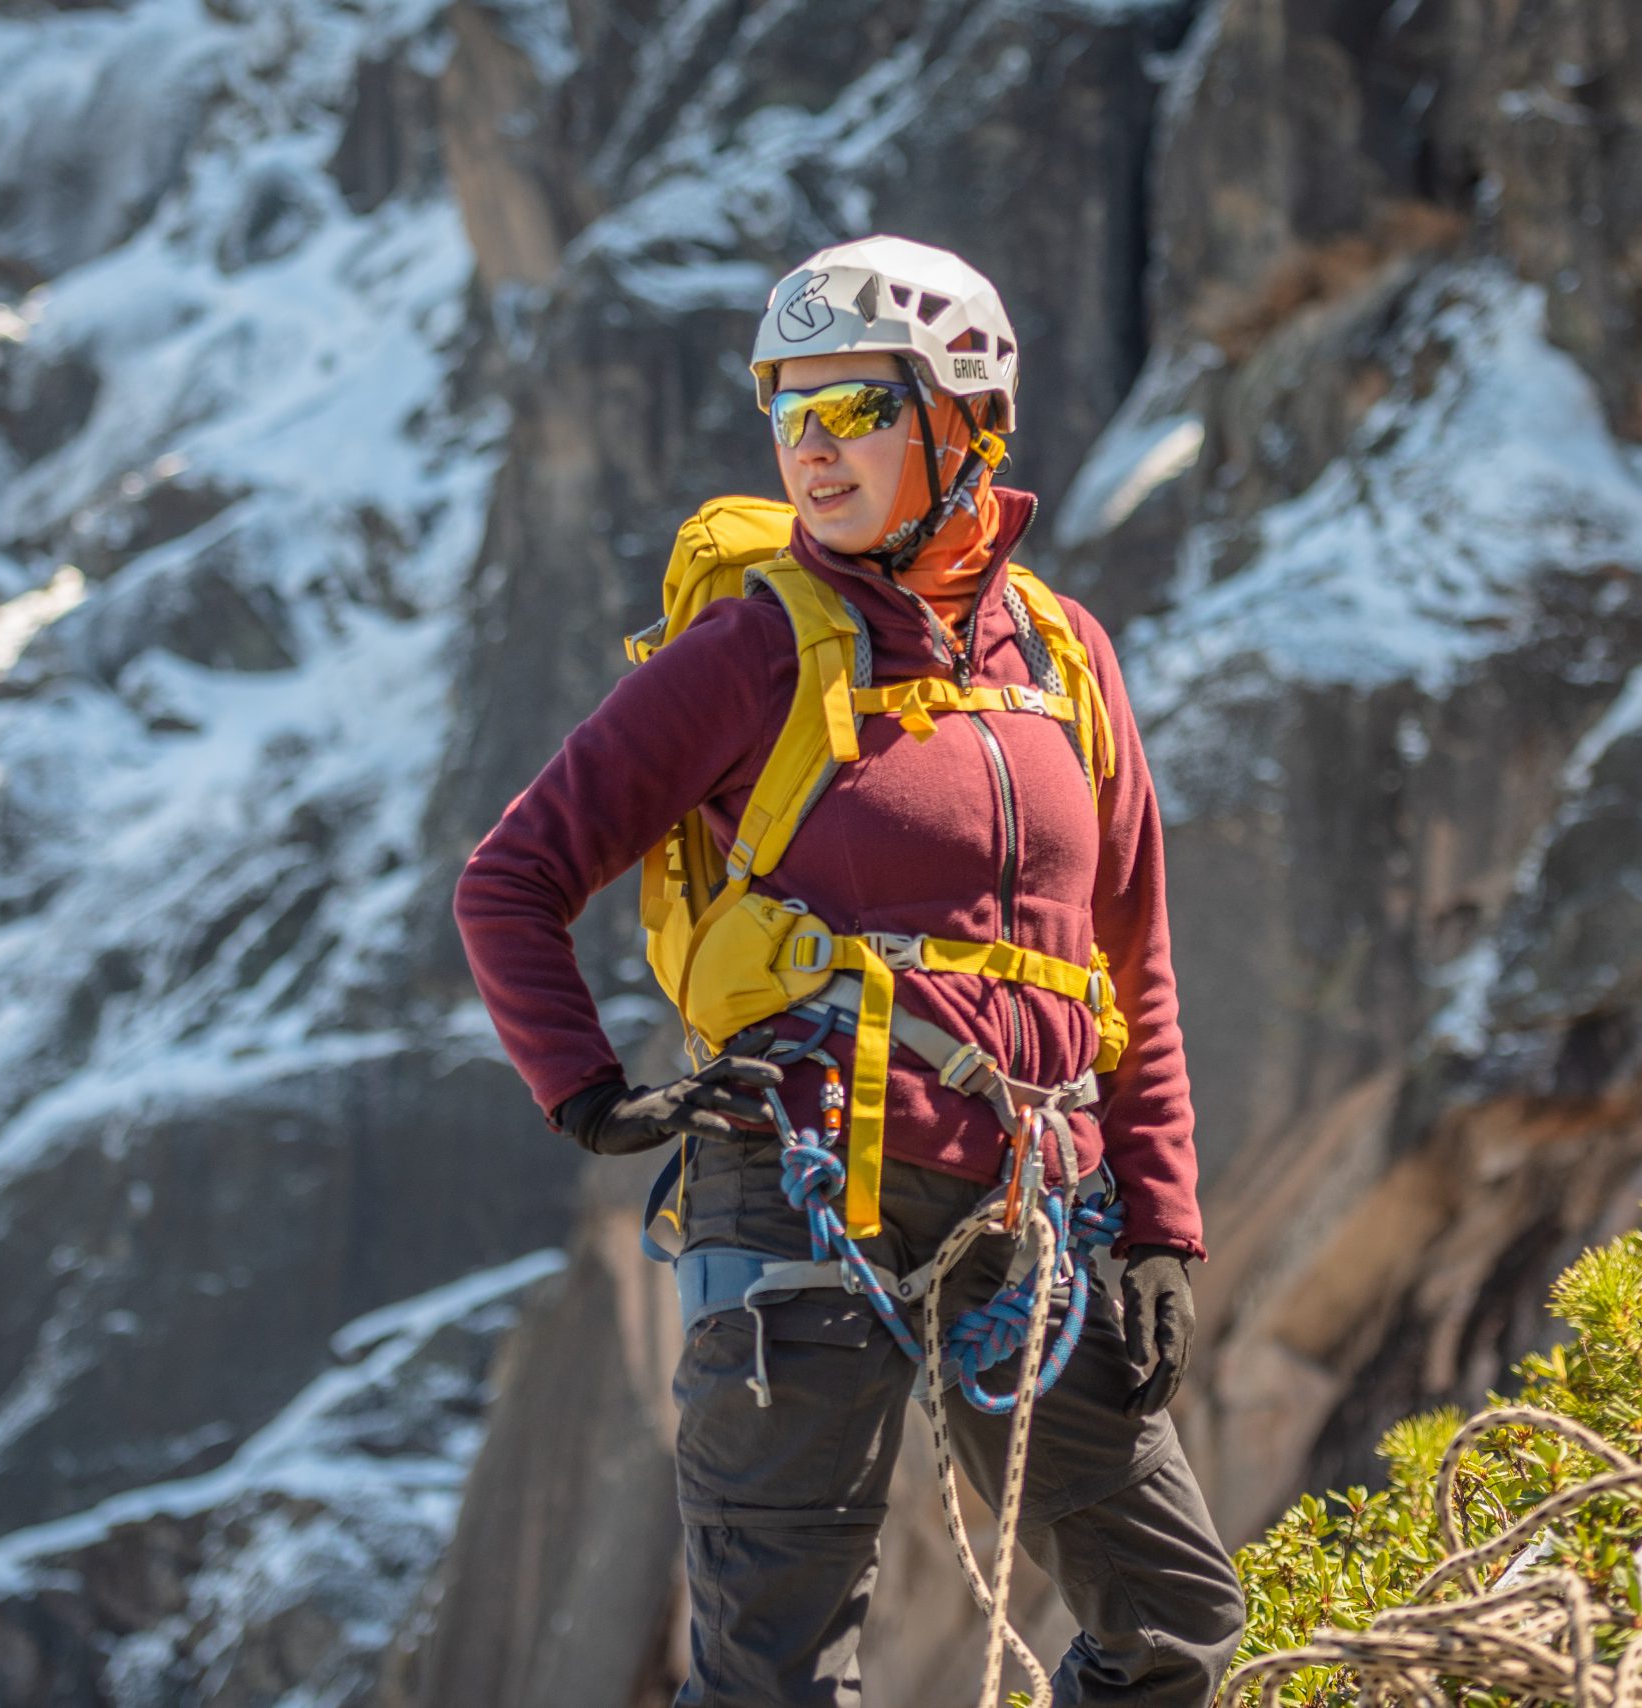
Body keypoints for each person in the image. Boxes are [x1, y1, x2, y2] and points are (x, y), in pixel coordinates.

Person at [453, 235, 1246, 1707]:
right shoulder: (750, 652)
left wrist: (1162, 1228)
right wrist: (588, 1094)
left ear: (963, 419)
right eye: (787, 412)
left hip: (1037, 1213)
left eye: (854, 410)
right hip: (796, 1195)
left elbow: (1130, 959)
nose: (811, 451)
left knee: (1175, 1625)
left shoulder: (1067, 659)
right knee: (780, 1681)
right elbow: (512, 878)